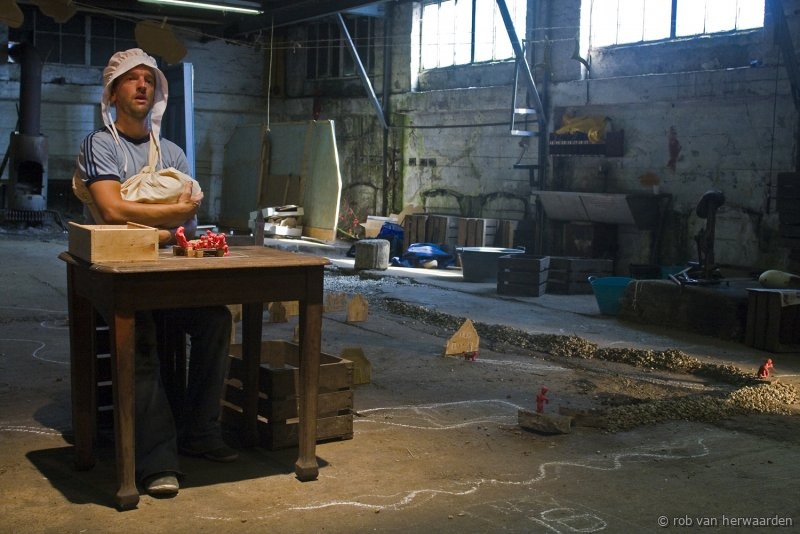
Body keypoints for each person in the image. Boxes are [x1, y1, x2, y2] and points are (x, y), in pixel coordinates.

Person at [74, 48, 237, 497]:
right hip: (115, 275)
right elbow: (110, 211)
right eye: (132, 78)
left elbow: (188, 223)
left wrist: (154, 220)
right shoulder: (100, 145)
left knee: (215, 320)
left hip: (164, 273)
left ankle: (200, 431)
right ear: (113, 93)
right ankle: (158, 459)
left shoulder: (173, 153)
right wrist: (167, 218)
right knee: (139, 332)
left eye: (149, 78)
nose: (142, 84)